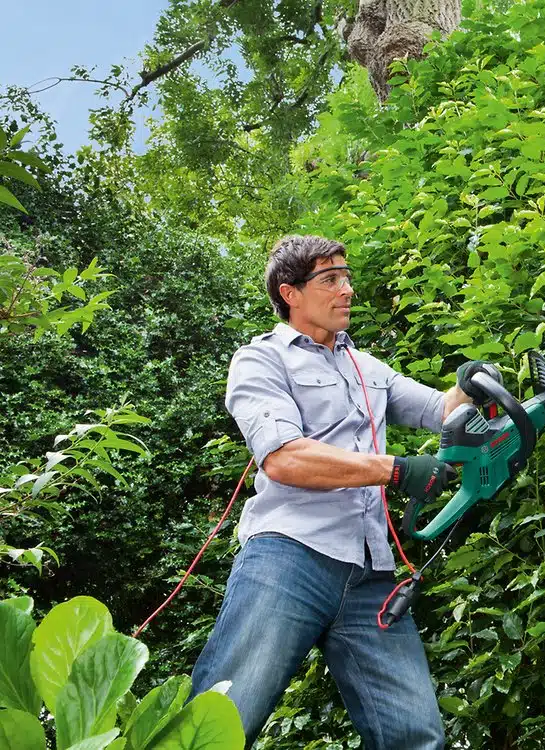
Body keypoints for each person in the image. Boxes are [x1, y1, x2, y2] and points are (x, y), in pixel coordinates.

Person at [191, 234, 479, 748]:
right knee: (222, 723)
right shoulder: (261, 361)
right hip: (289, 558)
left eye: (346, 277)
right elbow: (285, 458)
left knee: (415, 737)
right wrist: (396, 470)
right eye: (330, 279)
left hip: (371, 574)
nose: (346, 289)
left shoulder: (368, 369)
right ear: (291, 293)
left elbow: (442, 411)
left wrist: (474, 384)